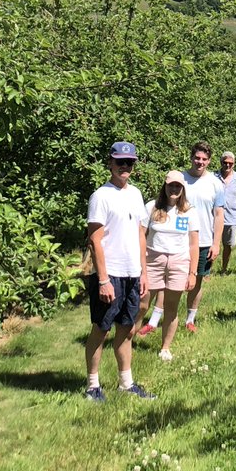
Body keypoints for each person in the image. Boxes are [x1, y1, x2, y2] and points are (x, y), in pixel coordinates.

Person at [82, 141, 155, 401]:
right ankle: (92, 386)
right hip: (109, 274)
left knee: (126, 329)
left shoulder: (135, 194)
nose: (125, 166)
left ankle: (126, 383)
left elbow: (140, 235)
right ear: (110, 163)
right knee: (101, 330)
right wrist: (103, 280)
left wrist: (143, 272)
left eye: (130, 162)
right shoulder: (101, 196)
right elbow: (95, 240)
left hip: (132, 273)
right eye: (120, 161)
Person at [137, 141, 225, 337]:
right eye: (197, 158)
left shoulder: (216, 183)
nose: (199, 162)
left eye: (204, 159)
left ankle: (190, 319)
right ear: (191, 157)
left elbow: (219, 214)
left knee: (196, 280)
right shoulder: (180, 179)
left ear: (209, 161)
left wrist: (216, 242)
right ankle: (154, 320)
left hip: (201, 242)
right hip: (173, 241)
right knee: (164, 281)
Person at [139, 170, 199, 362]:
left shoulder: (189, 211)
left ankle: (165, 348)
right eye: (170, 185)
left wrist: (193, 273)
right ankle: (127, 339)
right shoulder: (151, 207)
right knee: (142, 304)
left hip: (179, 261)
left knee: (171, 306)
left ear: (182, 189)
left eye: (178, 186)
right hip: (153, 259)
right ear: (164, 186)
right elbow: (140, 235)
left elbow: (194, 243)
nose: (174, 189)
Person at [217, 152, 236, 275]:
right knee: (210, 243)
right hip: (214, 217)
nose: (227, 165)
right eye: (225, 162)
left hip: (230, 217)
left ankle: (224, 269)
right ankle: (206, 271)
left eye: (230, 163)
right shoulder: (213, 176)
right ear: (221, 162)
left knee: (228, 245)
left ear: (234, 164)